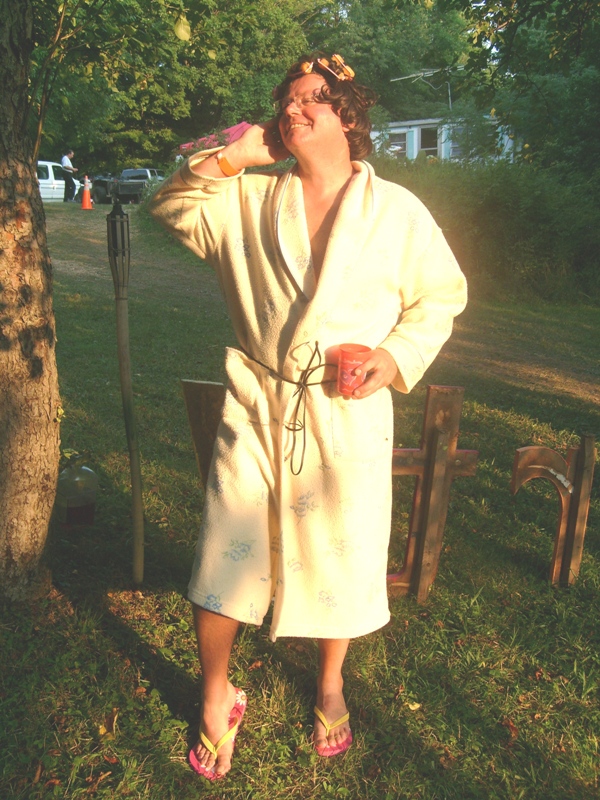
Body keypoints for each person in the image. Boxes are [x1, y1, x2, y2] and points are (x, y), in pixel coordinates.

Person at [150, 53, 467, 781]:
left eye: (312, 99)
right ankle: (215, 696)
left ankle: (329, 683)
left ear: (349, 116)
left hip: (346, 411)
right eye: (286, 101)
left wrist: (393, 357)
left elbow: (441, 296)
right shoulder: (248, 198)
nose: (293, 109)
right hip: (258, 399)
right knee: (224, 548)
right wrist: (233, 156)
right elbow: (169, 208)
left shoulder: (398, 213)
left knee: (340, 551)